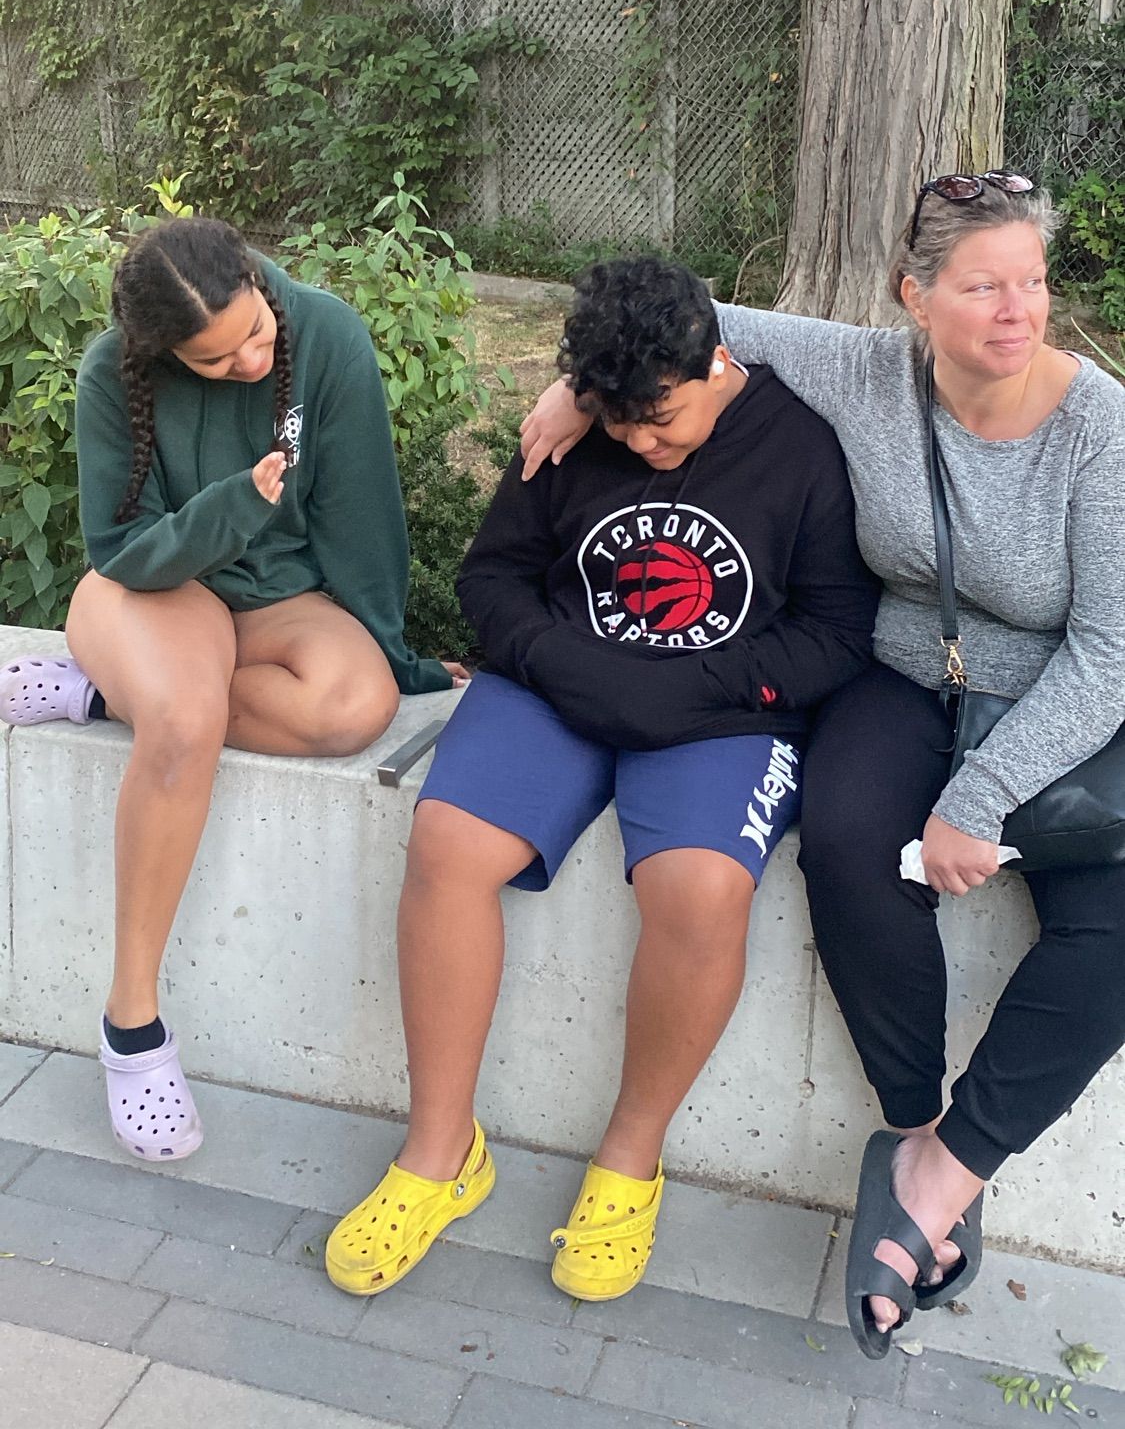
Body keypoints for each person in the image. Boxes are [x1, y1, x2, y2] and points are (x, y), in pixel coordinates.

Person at [520, 177, 1125, 1355]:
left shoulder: (1101, 425)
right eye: (984, 284)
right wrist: (574, 386)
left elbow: (1111, 654)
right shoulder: (859, 365)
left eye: (1033, 282)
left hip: (1059, 700)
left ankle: (951, 1167)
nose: (1019, 311)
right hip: (900, 676)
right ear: (915, 296)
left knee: (1118, 924)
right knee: (846, 846)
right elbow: (696, 318)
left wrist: (980, 797)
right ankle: (908, 1123)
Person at [324, 256, 877, 1302]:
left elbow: (838, 633)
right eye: (618, 421)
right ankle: (441, 1151)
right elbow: (491, 574)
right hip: (560, 683)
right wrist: (567, 663)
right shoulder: (586, 425)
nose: (638, 443)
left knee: (701, 885)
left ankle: (629, 1157)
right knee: (447, 842)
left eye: (659, 420)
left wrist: (695, 691)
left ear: (717, 361)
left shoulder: (802, 449)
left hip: (718, 708)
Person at [0, 217, 464, 1161]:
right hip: (157, 583)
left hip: (277, 593)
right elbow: (122, 547)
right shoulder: (110, 374)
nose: (250, 360)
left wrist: (398, 652)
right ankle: (132, 1025)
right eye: (214, 361)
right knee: (184, 717)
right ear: (161, 353)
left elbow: (363, 510)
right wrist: (233, 505)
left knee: (355, 706)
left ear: (257, 281)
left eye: (255, 333)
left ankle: (96, 694)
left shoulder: (324, 334)